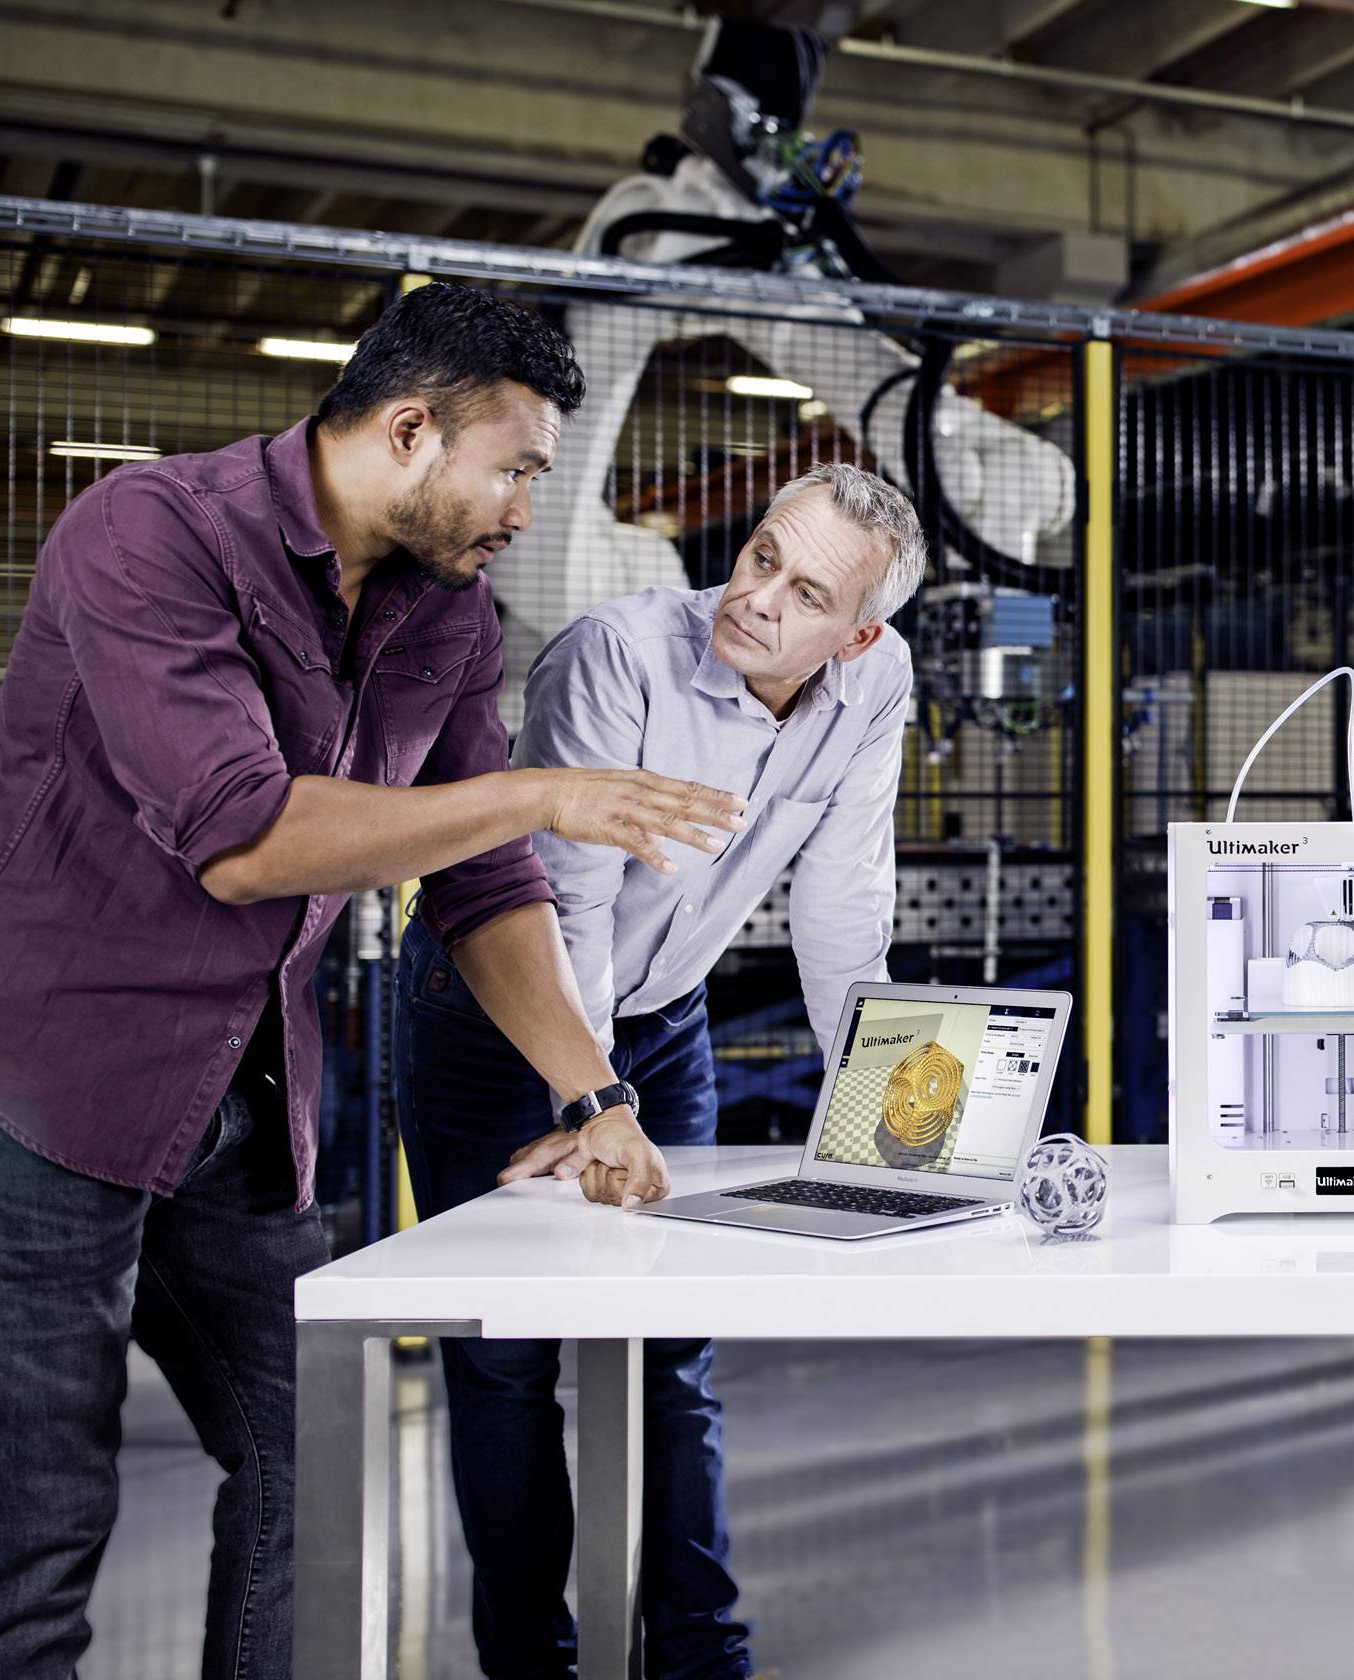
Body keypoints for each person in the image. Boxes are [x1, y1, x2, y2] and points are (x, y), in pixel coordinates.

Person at [0, 282, 745, 1679]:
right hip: (37, 1099)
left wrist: (598, 1091)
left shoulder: (442, 613)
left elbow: (485, 879)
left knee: (308, 1456)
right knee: (34, 1528)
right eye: (514, 467)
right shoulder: (150, 534)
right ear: (406, 431)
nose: (527, 505)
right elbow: (245, 838)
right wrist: (546, 789)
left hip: (245, 1103)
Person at [393, 461, 924, 1680]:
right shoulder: (614, 657)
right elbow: (557, 904)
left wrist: (882, 1112)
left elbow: (843, 899)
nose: (760, 600)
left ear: (860, 634)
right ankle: (530, 1664)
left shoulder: (873, 685)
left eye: (807, 595)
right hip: (499, 1013)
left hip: (664, 1023)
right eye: (761, 558)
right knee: (508, 1359)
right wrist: (588, 1098)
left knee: (668, 1355)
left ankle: (699, 1658)